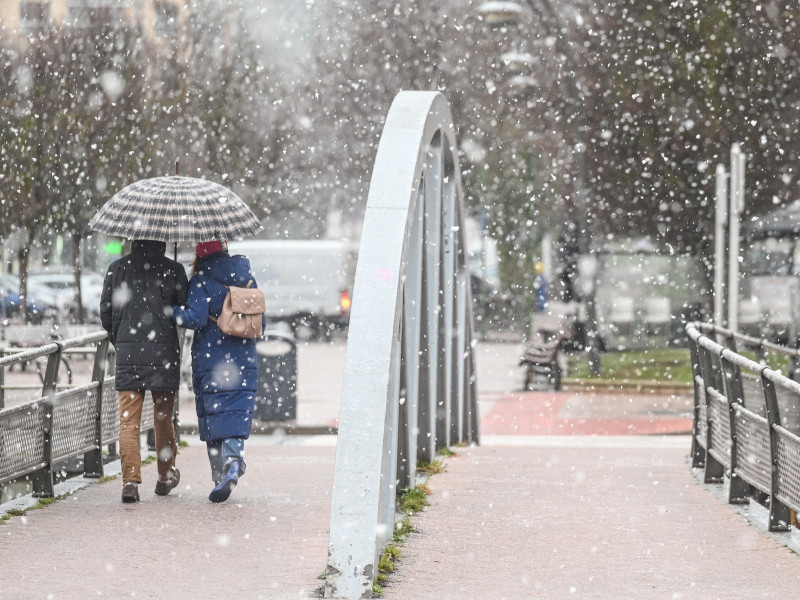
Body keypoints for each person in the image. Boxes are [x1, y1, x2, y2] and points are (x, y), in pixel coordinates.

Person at [171, 240, 265, 503]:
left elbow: (195, 319)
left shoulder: (200, 281)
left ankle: (218, 475)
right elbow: (262, 321)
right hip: (244, 360)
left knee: (214, 415)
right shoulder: (247, 279)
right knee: (235, 412)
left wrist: (172, 309)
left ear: (199, 256)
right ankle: (233, 461)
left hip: (211, 360)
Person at [100, 239, 188, 503]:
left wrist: (121, 339)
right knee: (163, 418)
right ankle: (165, 476)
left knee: (129, 420)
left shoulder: (117, 268)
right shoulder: (174, 269)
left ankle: (130, 481)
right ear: (162, 239)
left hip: (129, 352)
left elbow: (106, 312)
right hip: (163, 353)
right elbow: (183, 310)